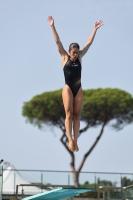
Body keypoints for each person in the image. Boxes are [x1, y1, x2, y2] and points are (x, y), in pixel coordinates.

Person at [47, 16, 103, 152]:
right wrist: (52, 26)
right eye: (74, 52)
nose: (75, 54)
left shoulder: (80, 57)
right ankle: (70, 139)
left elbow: (88, 43)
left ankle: (75, 141)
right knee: (69, 114)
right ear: (69, 51)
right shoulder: (64, 57)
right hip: (68, 88)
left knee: (77, 116)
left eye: (77, 52)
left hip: (78, 88)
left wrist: (94, 29)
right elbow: (57, 41)